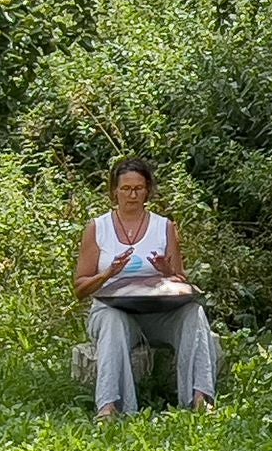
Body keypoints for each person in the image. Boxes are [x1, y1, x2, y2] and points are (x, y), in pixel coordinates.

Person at [74, 158, 218, 419]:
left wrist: (166, 272)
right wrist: (108, 274)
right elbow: (80, 287)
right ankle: (110, 408)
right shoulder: (98, 228)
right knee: (112, 319)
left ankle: (200, 399)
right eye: (126, 189)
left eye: (138, 188)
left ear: (147, 191)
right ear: (114, 191)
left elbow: (181, 280)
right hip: (113, 311)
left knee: (193, 313)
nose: (132, 195)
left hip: (158, 313)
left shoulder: (164, 227)